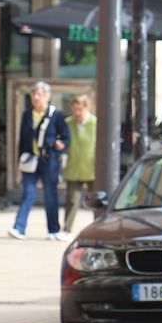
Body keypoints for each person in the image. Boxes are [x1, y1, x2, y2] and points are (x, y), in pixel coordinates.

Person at [10, 81, 69, 240]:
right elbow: (22, 139)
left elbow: (65, 137)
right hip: (30, 160)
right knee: (28, 193)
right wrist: (19, 161)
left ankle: (53, 230)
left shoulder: (55, 114)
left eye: (40, 94)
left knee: (51, 195)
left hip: (49, 161)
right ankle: (19, 228)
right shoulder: (27, 114)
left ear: (47, 97)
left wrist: (59, 146)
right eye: (33, 94)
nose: (36, 98)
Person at [62, 93, 97, 233]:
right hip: (74, 167)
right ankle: (66, 229)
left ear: (87, 108)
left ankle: (97, 227)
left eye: (80, 110)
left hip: (92, 168)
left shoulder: (95, 123)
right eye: (74, 109)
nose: (77, 113)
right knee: (71, 199)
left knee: (96, 200)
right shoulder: (68, 123)